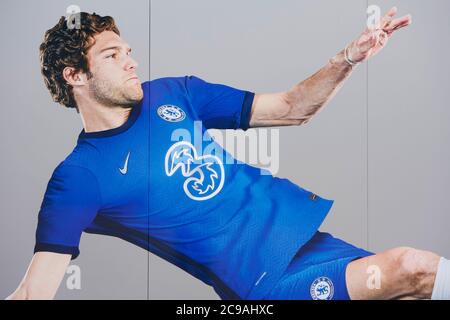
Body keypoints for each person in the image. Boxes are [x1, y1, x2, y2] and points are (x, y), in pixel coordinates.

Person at [6, 8, 449, 300]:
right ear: (75, 75)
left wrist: (347, 59)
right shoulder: (80, 177)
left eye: (129, 51)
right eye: (112, 55)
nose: (131, 62)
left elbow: (292, 109)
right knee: (412, 268)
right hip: (268, 286)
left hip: (314, 245)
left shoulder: (176, 93)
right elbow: (33, 292)